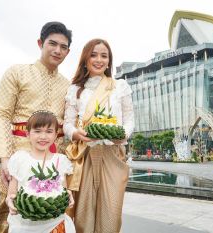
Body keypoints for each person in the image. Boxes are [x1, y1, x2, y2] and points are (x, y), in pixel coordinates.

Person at [0, 21, 72, 233]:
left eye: (63, 47)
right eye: (52, 44)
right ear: (40, 43)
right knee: (10, 214)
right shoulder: (17, 73)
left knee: (53, 217)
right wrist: (4, 158)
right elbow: (1, 113)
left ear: (68, 51)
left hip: (53, 161)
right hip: (18, 157)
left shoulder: (69, 85)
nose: (57, 50)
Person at [63, 38, 135, 233]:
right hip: (84, 155)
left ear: (109, 61)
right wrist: (76, 133)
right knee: (84, 213)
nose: (99, 60)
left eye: (104, 55)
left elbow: (129, 119)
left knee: (111, 212)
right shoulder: (75, 89)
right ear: (85, 59)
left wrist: (123, 135)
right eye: (93, 55)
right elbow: (67, 123)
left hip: (113, 154)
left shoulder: (120, 86)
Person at [5, 111, 75, 233]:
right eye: (37, 131)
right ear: (28, 134)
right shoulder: (19, 159)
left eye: (49, 131)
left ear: (55, 135)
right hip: (24, 224)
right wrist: (10, 202)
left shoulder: (61, 160)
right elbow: (11, 194)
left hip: (54, 224)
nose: (43, 137)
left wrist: (68, 196)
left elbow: (63, 191)